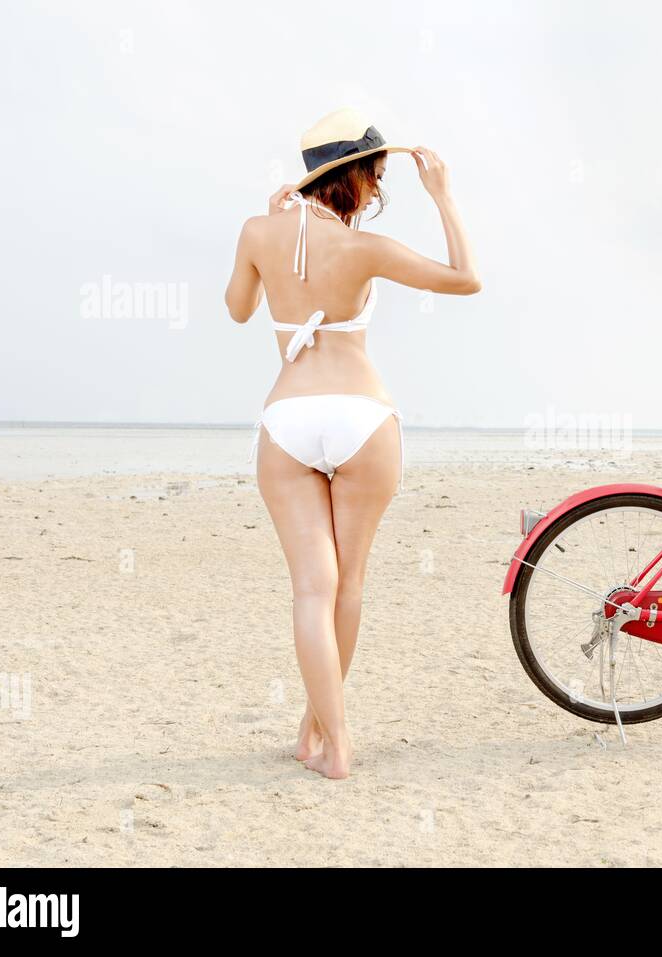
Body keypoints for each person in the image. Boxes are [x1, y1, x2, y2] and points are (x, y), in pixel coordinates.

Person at [224, 108, 481, 778]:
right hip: (363, 416)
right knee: (350, 583)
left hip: (289, 418)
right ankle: (326, 732)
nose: (378, 185)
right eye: (377, 173)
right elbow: (465, 277)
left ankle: (326, 739)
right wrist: (444, 196)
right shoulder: (366, 248)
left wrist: (266, 227)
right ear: (357, 176)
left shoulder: (258, 231)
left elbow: (238, 308)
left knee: (313, 588)